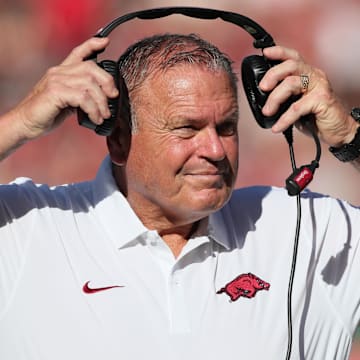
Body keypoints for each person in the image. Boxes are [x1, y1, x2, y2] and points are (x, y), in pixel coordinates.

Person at [0, 32, 359, 360]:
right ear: (119, 140)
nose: (216, 149)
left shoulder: (302, 228)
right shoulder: (30, 226)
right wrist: (20, 122)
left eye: (226, 127)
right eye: (187, 129)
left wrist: (349, 134)